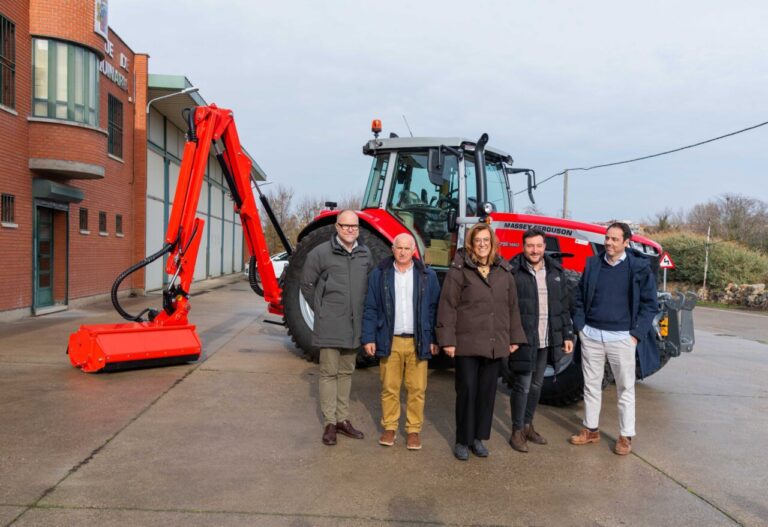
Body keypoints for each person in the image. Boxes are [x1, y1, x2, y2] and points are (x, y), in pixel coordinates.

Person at [436, 223, 527, 461]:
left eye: (486, 240)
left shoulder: (504, 272)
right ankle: (462, 440)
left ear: (493, 242)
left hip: (494, 343)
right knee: (467, 390)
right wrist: (447, 340)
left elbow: (512, 308)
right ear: (471, 243)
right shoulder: (459, 270)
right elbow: (447, 306)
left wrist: (515, 337)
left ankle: (478, 438)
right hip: (466, 342)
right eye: (478, 241)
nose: (482, 244)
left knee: (487, 393)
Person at [569, 222, 659, 455]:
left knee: (625, 387)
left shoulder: (638, 268)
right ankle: (591, 430)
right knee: (590, 385)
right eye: (607, 238)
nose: (608, 243)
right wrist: (581, 327)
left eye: (614, 239)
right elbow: (578, 298)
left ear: (626, 242)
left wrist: (636, 335)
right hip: (591, 335)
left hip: (622, 338)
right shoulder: (593, 263)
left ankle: (625, 436)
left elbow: (650, 305)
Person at [361, 233, 441, 450]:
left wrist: (434, 338)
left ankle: (413, 430)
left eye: (407, 248)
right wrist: (369, 337)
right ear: (392, 249)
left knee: (417, 389)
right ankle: (390, 427)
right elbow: (371, 307)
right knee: (389, 387)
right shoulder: (380, 274)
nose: (403, 252)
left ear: (413, 249)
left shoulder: (427, 275)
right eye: (399, 248)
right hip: (390, 339)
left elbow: (434, 310)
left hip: (418, 340)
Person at [301, 210, 373, 446]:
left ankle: (343, 419)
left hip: (354, 325)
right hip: (331, 324)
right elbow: (307, 284)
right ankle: (330, 423)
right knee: (329, 373)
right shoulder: (321, 253)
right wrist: (321, 311)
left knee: (346, 373)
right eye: (346, 226)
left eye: (354, 226)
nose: (350, 229)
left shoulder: (365, 254)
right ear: (337, 227)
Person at [507, 228, 574, 452]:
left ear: (545, 247)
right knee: (523, 385)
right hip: (524, 339)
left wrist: (566, 335)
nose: (534, 250)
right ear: (523, 247)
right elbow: (506, 308)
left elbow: (563, 307)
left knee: (536, 385)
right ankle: (516, 431)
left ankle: (527, 425)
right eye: (530, 246)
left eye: (538, 246)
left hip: (546, 339)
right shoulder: (513, 271)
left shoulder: (555, 272)